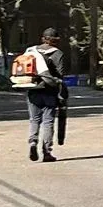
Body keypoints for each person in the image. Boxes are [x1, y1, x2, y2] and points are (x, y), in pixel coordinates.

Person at [22, 29, 64, 163]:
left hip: (32, 89)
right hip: (49, 91)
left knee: (34, 119)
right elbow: (60, 75)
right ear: (56, 40)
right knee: (48, 121)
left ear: (42, 38)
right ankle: (46, 151)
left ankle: (33, 142)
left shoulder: (31, 51)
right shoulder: (57, 53)